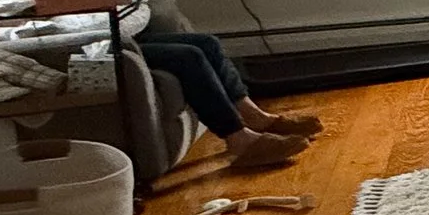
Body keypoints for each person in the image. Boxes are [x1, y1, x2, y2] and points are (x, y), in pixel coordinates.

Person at [135, 30, 323, 167]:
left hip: (126, 32)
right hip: (109, 46)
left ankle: (255, 116)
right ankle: (239, 139)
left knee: (208, 43)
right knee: (188, 56)